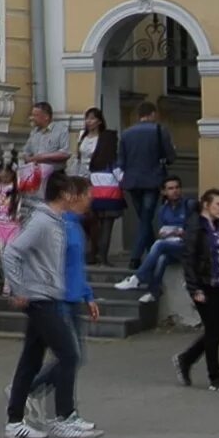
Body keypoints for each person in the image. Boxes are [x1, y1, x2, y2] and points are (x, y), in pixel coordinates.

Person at [0, 173, 102, 438]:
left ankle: (14, 421)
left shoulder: (55, 221)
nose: (79, 197)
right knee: (69, 354)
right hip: (40, 297)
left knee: (31, 360)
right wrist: (18, 287)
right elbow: (12, 252)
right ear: (66, 194)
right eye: (74, 192)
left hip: (47, 295)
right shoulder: (43, 221)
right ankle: (64, 417)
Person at [177, 188, 219, 391]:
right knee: (213, 330)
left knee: (218, 330)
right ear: (206, 205)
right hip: (202, 283)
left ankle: (186, 359)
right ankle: (215, 376)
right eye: (218, 204)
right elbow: (189, 258)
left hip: (217, 281)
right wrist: (195, 288)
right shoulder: (196, 226)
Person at [117, 102, 176, 260]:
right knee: (146, 217)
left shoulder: (126, 133)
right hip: (152, 179)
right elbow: (170, 157)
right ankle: (136, 257)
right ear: (152, 114)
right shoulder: (159, 130)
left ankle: (151, 252)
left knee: (144, 217)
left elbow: (120, 161)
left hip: (132, 181)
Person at [117, 178, 191, 298]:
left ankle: (138, 277)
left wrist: (180, 232)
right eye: (171, 188)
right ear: (164, 192)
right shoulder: (163, 210)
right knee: (162, 258)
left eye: (177, 187)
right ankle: (154, 291)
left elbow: (195, 230)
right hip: (171, 245)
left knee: (158, 245)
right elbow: (161, 231)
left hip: (187, 246)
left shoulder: (189, 205)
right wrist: (166, 233)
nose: (175, 191)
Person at [81, 109, 125, 263]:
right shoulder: (83, 137)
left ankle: (101, 256)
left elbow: (113, 160)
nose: (89, 121)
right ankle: (93, 253)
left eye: (92, 118)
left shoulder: (106, 138)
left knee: (104, 222)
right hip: (85, 181)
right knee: (90, 221)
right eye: (87, 118)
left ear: (99, 121)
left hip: (101, 181)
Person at [21, 100, 72, 192]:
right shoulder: (34, 133)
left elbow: (65, 153)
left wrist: (42, 157)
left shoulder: (60, 130)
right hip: (37, 176)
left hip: (55, 175)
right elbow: (26, 151)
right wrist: (28, 158)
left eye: (36, 115)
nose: (32, 118)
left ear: (46, 117)